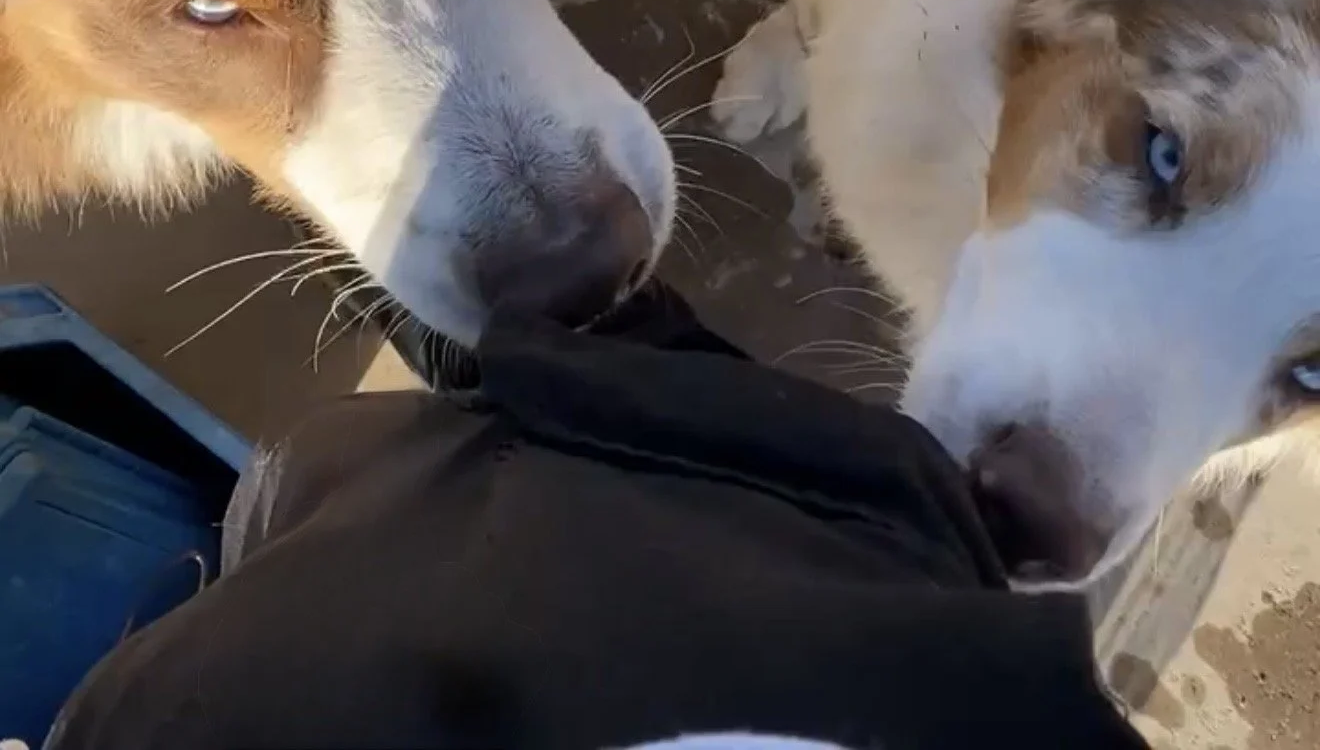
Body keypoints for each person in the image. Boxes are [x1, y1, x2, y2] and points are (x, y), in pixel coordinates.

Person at [49, 287, 1144, 750]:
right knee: (541, 380)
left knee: (322, 489)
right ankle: (493, 323)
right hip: (817, 561)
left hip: (283, 638)